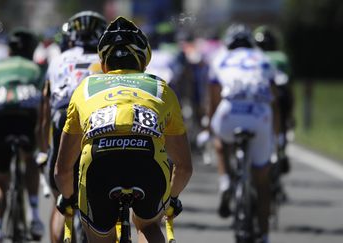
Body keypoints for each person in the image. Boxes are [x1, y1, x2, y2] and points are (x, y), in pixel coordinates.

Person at [54, 16, 193, 243]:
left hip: (99, 161)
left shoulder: (85, 88)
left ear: (104, 62)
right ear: (143, 59)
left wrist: (67, 198)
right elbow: (184, 167)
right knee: (148, 226)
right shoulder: (161, 88)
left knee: (100, 236)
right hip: (147, 160)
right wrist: (172, 198)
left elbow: (62, 169)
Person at [40, 10, 107, 242]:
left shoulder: (58, 60)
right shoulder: (105, 59)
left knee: (61, 200)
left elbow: (46, 109)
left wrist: (43, 149)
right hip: (100, 121)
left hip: (63, 121)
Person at [208, 24, 279, 243]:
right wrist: (276, 134)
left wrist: (208, 126)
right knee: (262, 181)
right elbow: (274, 96)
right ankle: (265, 236)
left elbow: (213, 96)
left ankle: (225, 181)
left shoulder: (220, 57)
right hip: (260, 114)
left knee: (220, 139)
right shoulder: (263, 58)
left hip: (229, 114)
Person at [0, 28, 45, 243]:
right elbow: (43, 107)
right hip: (25, 121)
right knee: (31, 162)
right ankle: (35, 215)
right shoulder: (36, 68)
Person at [254, 25, 294, 174]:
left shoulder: (255, 57)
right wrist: (291, 113)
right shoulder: (281, 57)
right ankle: (280, 149)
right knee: (281, 127)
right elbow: (288, 85)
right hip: (281, 98)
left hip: (261, 98)